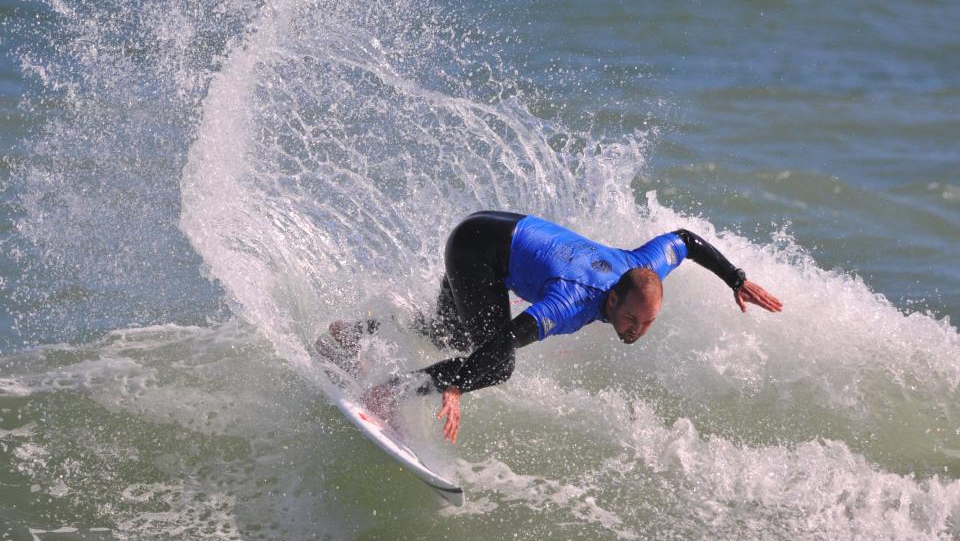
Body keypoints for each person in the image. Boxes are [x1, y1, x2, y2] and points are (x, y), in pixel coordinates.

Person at [326, 211, 783, 444]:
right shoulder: (571, 303)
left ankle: (361, 329)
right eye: (628, 319)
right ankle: (387, 392)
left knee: (451, 332)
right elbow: (506, 341)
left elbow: (685, 240)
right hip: (476, 251)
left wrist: (736, 280)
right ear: (611, 298)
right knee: (494, 363)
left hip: (494, 228)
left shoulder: (646, 268)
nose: (634, 330)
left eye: (645, 324)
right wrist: (459, 383)